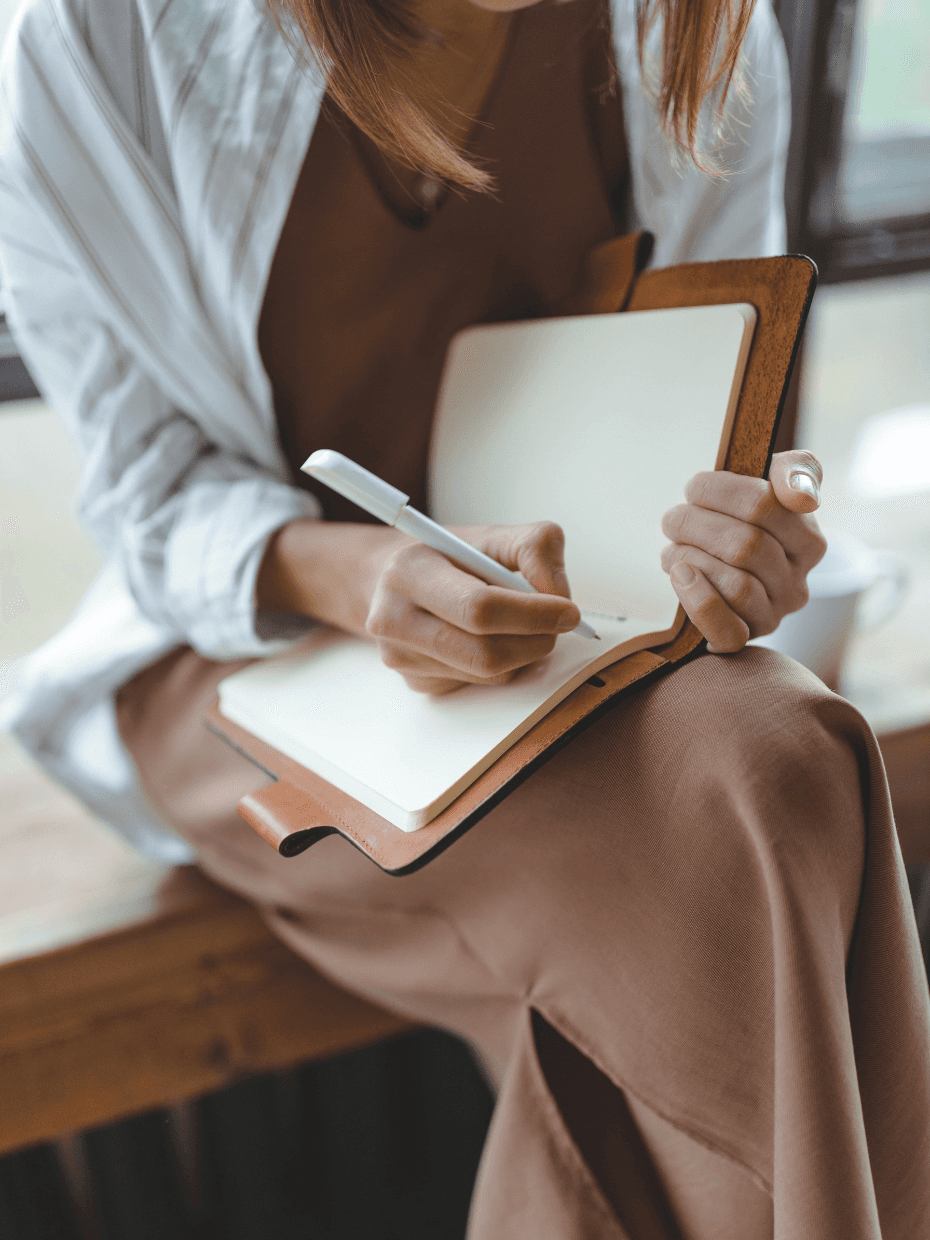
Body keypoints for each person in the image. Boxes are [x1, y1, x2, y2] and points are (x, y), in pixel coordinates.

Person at [1, 0, 928, 1233]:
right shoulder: (95, 40)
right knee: (748, 802)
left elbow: (713, 407)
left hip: (576, 657)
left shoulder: (692, 29)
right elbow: (149, 496)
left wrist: (748, 530)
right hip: (244, 662)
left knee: (768, 759)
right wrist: (363, 578)